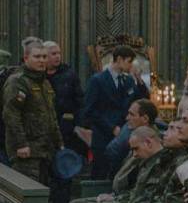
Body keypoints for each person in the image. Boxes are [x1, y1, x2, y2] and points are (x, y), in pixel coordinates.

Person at [2, 38, 63, 184]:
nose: (41, 60)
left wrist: (59, 142)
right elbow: (11, 115)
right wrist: (21, 144)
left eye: (44, 56)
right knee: (30, 196)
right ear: (26, 58)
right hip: (27, 151)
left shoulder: (44, 83)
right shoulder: (18, 81)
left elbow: (51, 116)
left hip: (45, 150)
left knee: (43, 193)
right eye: (37, 57)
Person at [81, 44, 144, 178]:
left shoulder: (128, 81)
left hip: (124, 135)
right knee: (101, 172)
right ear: (119, 59)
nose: (131, 65)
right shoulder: (97, 80)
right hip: (103, 135)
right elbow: (89, 110)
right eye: (129, 61)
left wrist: (139, 80)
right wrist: (111, 128)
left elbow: (142, 100)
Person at [44, 41, 85, 155]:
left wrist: (78, 124)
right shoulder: (38, 76)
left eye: (59, 53)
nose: (57, 56)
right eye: (53, 54)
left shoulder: (69, 75)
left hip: (66, 126)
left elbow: (80, 101)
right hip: (43, 127)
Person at [104, 98, 158, 168]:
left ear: (145, 119)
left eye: (131, 114)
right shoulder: (127, 130)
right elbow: (111, 152)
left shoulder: (152, 141)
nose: (127, 118)